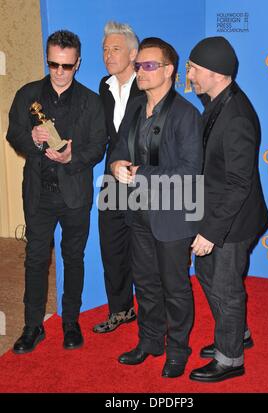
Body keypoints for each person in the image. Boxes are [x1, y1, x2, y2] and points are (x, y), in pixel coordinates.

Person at [6, 30, 107, 354]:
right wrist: (33, 140)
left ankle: (70, 323)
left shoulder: (91, 101)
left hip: (74, 193)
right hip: (38, 192)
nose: (59, 72)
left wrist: (71, 157)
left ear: (77, 63)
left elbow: (97, 147)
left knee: (73, 258)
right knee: (35, 260)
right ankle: (32, 326)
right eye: (53, 64)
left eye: (66, 65)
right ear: (47, 60)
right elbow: (13, 134)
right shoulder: (27, 95)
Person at [109, 37, 203, 378]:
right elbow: (119, 146)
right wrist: (117, 164)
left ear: (169, 71)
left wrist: (139, 173)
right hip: (138, 212)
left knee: (174, 286)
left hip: (173, 216)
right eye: (139, 66)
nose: (142, 71)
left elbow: (191, 171)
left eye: (150, 66)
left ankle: (178, 348)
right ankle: (150, 341)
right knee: (145, 282)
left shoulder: (186, 114)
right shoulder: (135, 107)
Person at [187, 36, 268, 382]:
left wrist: (210, 231)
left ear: (216, 73)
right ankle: (238, 334)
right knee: (207, 275)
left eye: (193, 69)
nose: (188, 75)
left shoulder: (235, 117)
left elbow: (239, 184)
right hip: (218, 211)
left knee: (225, 286)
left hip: (234, 220)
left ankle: (231, 358)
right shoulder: (217, 100)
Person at [93, 21, 144, 334]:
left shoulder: (150, 83)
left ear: (133, 53)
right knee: (112, 250)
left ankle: (154, 318)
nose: (108, 55)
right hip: (112, 180)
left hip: (144, 180)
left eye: (115, 49)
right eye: (105, 49)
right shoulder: (104, 86)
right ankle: (121, 310)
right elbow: (105, 136)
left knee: (147, 255)